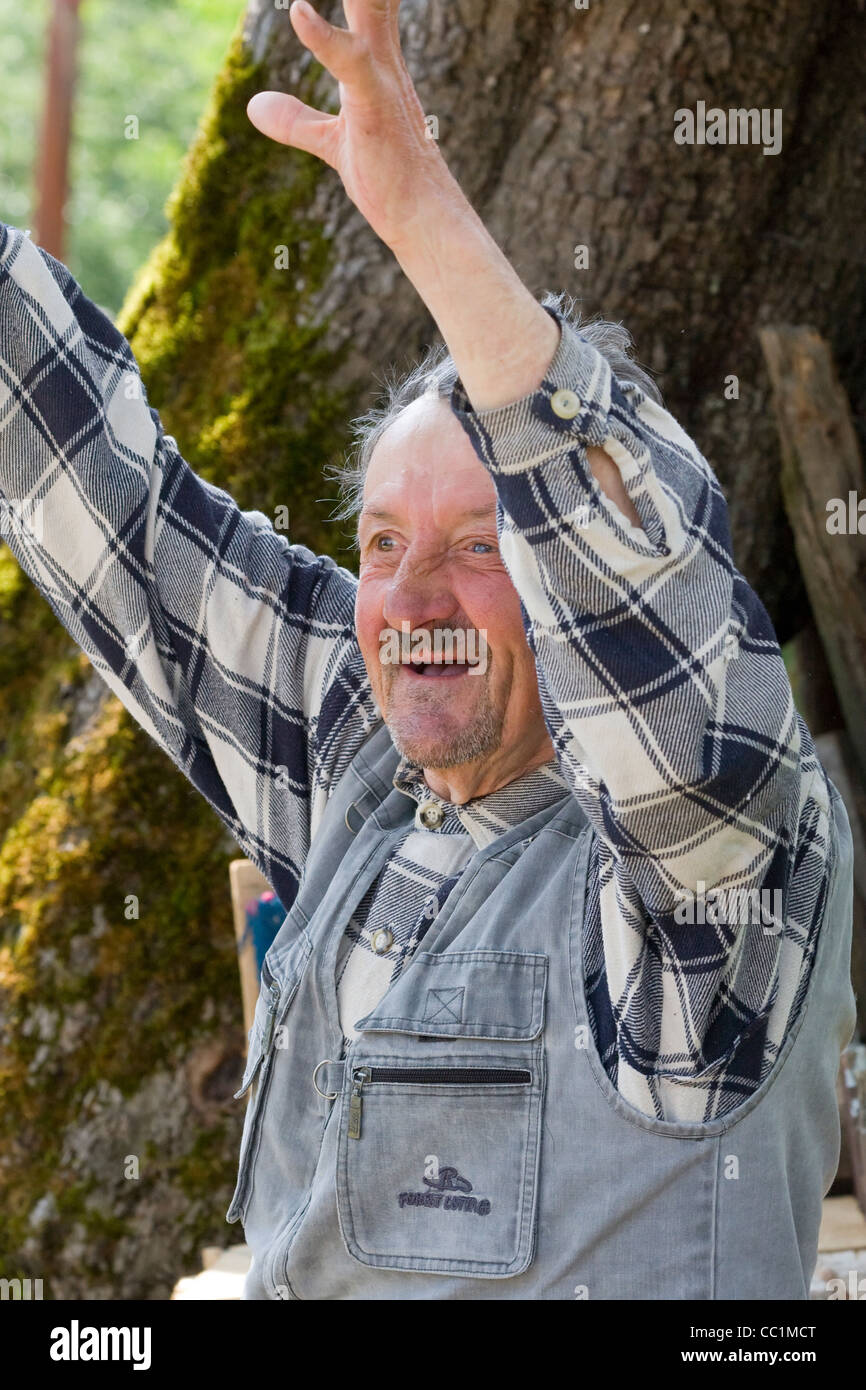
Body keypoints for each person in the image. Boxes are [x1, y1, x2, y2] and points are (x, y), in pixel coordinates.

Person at [0, 0, 855, 1300]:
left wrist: (427, 227)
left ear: (564, 583)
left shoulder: (709, 871)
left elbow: (653, 619)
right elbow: (117, 511)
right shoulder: (364, 763)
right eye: (385, 542)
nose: (411, 599)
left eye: (481, 544)